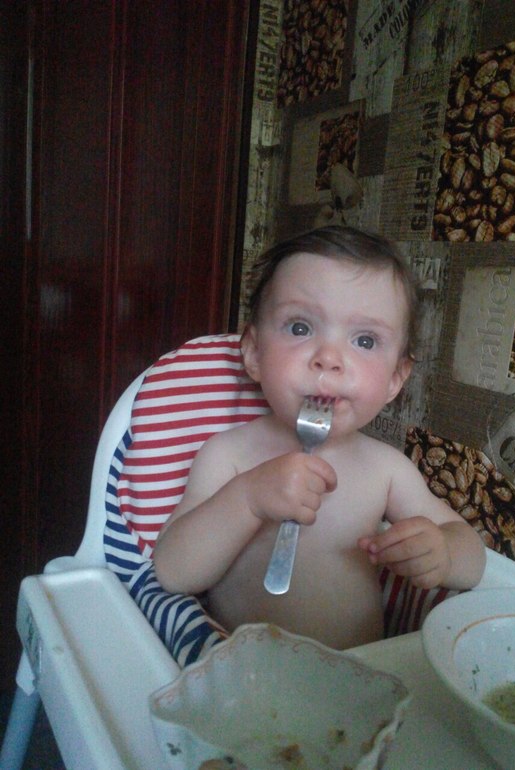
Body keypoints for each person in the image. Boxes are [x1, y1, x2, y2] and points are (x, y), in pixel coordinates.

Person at [154, 226, 486, 649]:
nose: (329, 359)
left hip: (360, 673)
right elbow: (173, 571)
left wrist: (443, 552)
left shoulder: (386, 470)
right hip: (244, 674)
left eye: (365, 340)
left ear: (395, 378)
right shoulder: (229, 456)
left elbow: (474, 559)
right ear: (253, 352)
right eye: (299, 328)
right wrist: (248, 499)